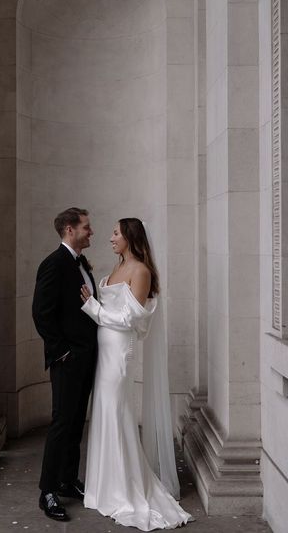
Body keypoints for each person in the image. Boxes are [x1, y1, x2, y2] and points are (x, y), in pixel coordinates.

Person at [80, 218, 193, 530]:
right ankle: (105, 486)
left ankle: (124, 488)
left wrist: (93, 308)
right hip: (105, 351)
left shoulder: (140, 270)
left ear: (130, 236)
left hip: (120, 353)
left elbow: (131, 319)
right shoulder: (116, 269)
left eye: (116, 233)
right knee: (103, 412)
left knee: (117, 412)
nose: (111, 237)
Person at [32, 207, 98, 522]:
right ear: (70, 230)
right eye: (86, 227)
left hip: (87, 357)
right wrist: (63, 353)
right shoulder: (54, 263)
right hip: (68, 359)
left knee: (75, 424)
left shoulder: (81, 263)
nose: (91, 232)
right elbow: (41, 314)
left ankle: (68, 480)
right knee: (61, 424)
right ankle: (47, 491)